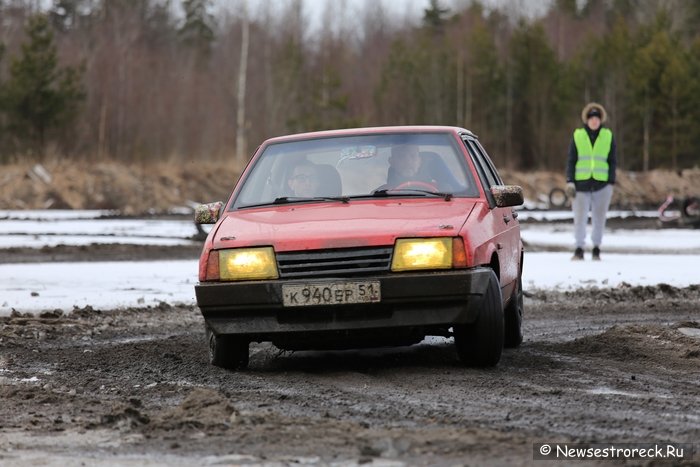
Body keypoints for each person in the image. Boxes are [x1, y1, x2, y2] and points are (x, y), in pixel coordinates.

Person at [565, 102, 616, 261]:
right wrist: (570, 181)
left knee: (599, 218)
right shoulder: (578, 135)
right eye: (591, 118)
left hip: (602, 185)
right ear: (586, 120)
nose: (594, 121)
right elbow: (571, 160)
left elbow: (612, 160)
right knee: (579, 218)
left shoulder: (608, 135)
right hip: (581, 185)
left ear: (601, 120)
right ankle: (579, 248)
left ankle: (596, 248)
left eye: (597, 118)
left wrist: (611, 182)